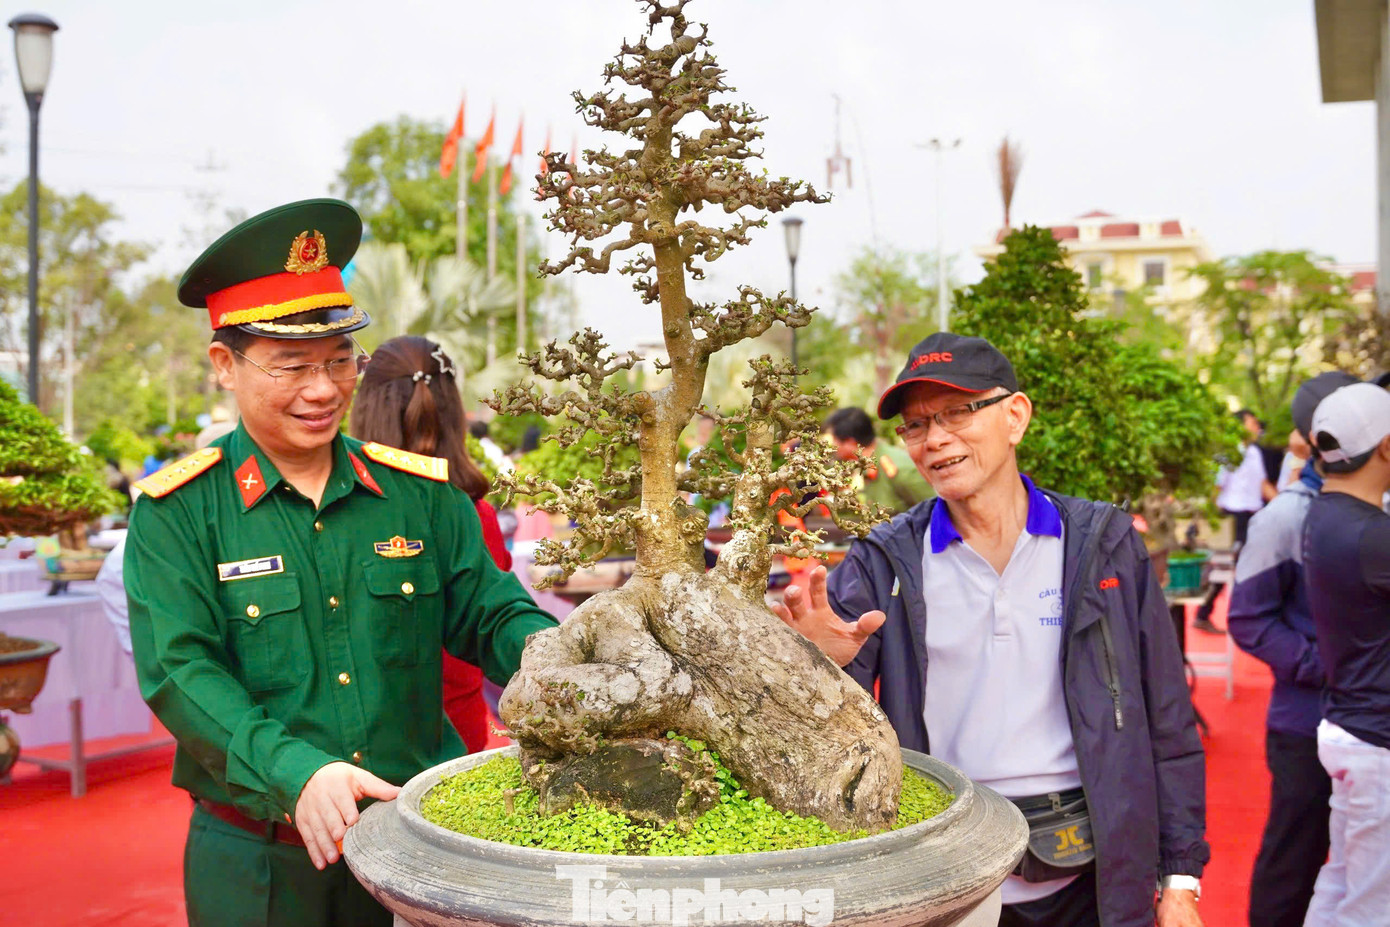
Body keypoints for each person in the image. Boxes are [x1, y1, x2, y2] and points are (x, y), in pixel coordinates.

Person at [124, 199, 557, 927]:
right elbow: (180, 672)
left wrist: (553, 656)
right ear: (224, 365)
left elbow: (490, 606)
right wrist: (298, 772)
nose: (324, 389)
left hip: (419, 843)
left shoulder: (417, 495)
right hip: (260, 863)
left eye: (338, 360)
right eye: (292, 366)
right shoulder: (179, 511)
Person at [773, 333, 1208, 927]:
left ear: (1015, 416)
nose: (936, 439)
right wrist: (821, 668)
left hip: (1094, 877)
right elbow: (818, 727)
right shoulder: (887, 560)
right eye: (918, 424)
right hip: (947, 878)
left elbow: (1167, 718)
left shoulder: (1103, 545)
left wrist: (1180, 879)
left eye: (957, 412)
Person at [1226, 372, 1358, 927]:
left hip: (1374, 725)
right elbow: (1248, 620)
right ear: (1309, 438)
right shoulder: (1284, 517)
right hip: (1307, 726)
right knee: (1293, 862)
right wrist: (1328, 668)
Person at [349, 335, 512, 755]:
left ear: (366, 406)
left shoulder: (341, 514)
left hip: (365, 747)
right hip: (460, 740)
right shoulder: (477, 515)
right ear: (453, 409)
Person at [1301, 381, 1390, 927]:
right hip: (1376, 740)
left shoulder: (1324, 513)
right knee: (1371, 905)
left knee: (1341, 886)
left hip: (1351, 728)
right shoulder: (1372, 535)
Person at [1192, 410, 1273, 634]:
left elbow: (1262, 484)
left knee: (1247, 566)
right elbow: (1215, 487)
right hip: (1232, 516)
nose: (1257, 427)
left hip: (1253, 515)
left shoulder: (1255, 452)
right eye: (1252, 423)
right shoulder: (1227, 452)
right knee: (1229, 567)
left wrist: (1281, 502)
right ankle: (1212, 614)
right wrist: (1207, 518)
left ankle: (1214, 614)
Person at [822, 406, 934, 513]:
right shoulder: (869, 465)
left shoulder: (898, 470)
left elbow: (937, 509)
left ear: (850, 443)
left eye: (834, 440)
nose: (832, 445)